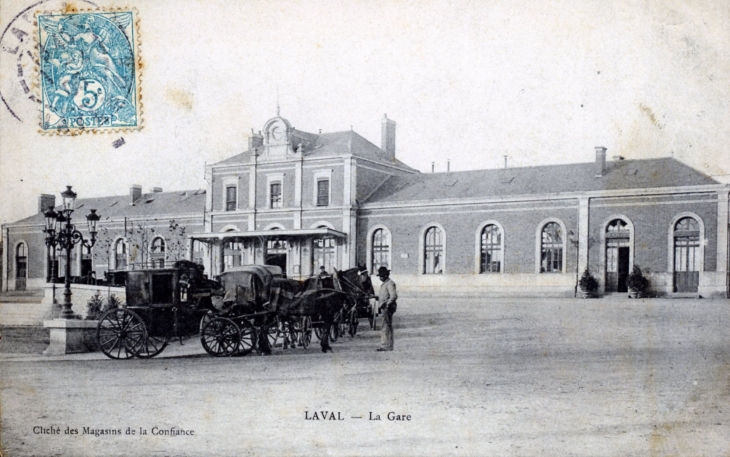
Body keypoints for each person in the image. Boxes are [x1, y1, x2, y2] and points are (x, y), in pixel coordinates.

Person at [375, 266, 397, 351]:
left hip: (387, 308)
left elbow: (393, 296)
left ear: (385, 276)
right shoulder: (386, 283)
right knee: (387, 326)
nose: (380, 278)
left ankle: (385, 345)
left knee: (385, 326)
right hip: (385, 307)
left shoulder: (390, 283)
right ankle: (389, 345)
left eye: (381, 276)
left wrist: (386, 304)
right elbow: (385, 296)